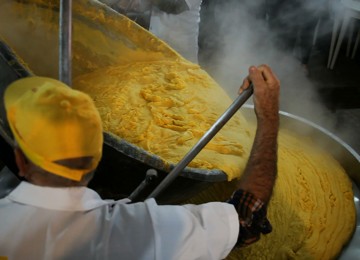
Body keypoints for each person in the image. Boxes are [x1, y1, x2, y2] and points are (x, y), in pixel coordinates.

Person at [0, 64, 280, 259]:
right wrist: (268, 117)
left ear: (20, 159)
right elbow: (245, 221)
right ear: (96, 161)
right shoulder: (132, 232)